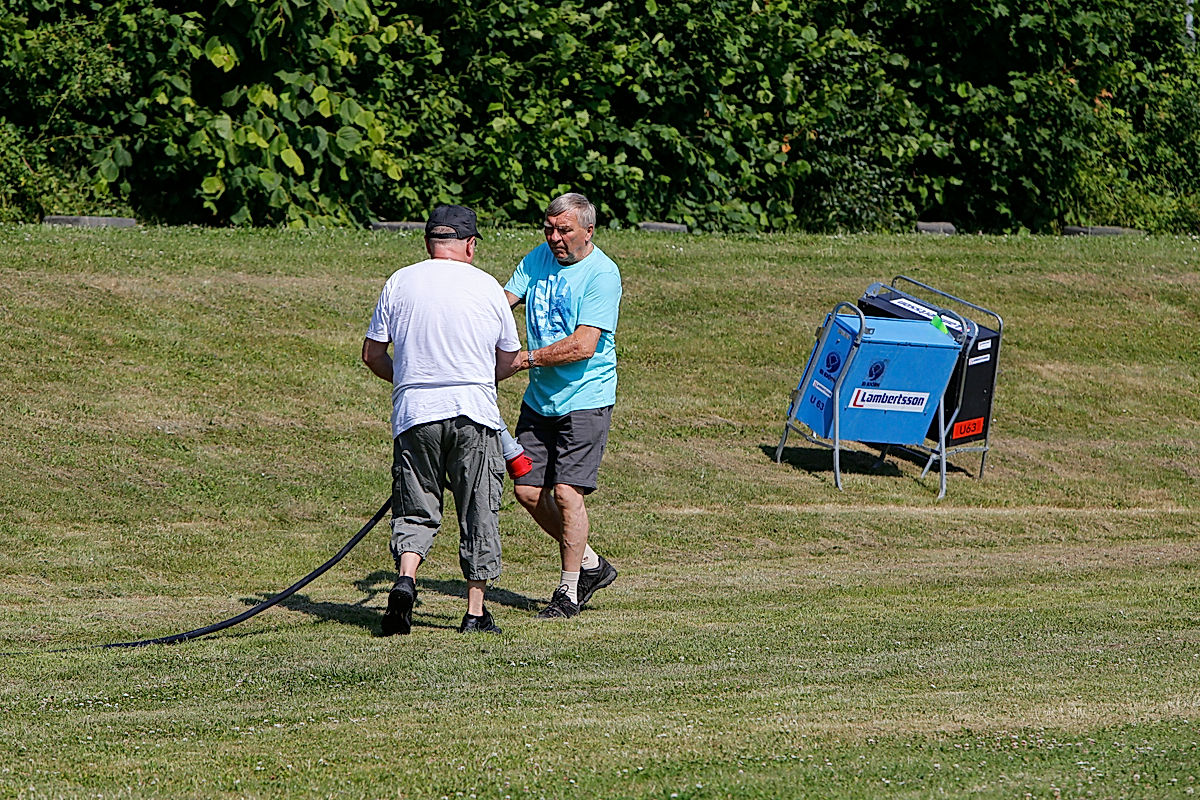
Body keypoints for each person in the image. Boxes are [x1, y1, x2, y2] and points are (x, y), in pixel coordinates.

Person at [362, 204, 520, 636]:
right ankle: (474, 612)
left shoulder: (400, 281)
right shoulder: (487, 287)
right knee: (477, 509)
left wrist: (411, 378)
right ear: (470, 245)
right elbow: (507, 360)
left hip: (415, 415)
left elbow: (372, 355)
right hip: (474, 413)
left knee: (415, 507)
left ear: (429, 243)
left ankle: (405, 581)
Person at [501, 192, 622, 619]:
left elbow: (584, 345)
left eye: (564, 230)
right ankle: (591, 564)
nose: (554, 237)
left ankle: (568, 592)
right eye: (549, 228)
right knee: (528, 489)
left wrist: (523, 361)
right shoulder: (538, 258)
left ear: (588, 231)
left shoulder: (602, 275)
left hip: (585, 400)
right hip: (540, 400)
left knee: (567, 493)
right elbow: (502, 303)